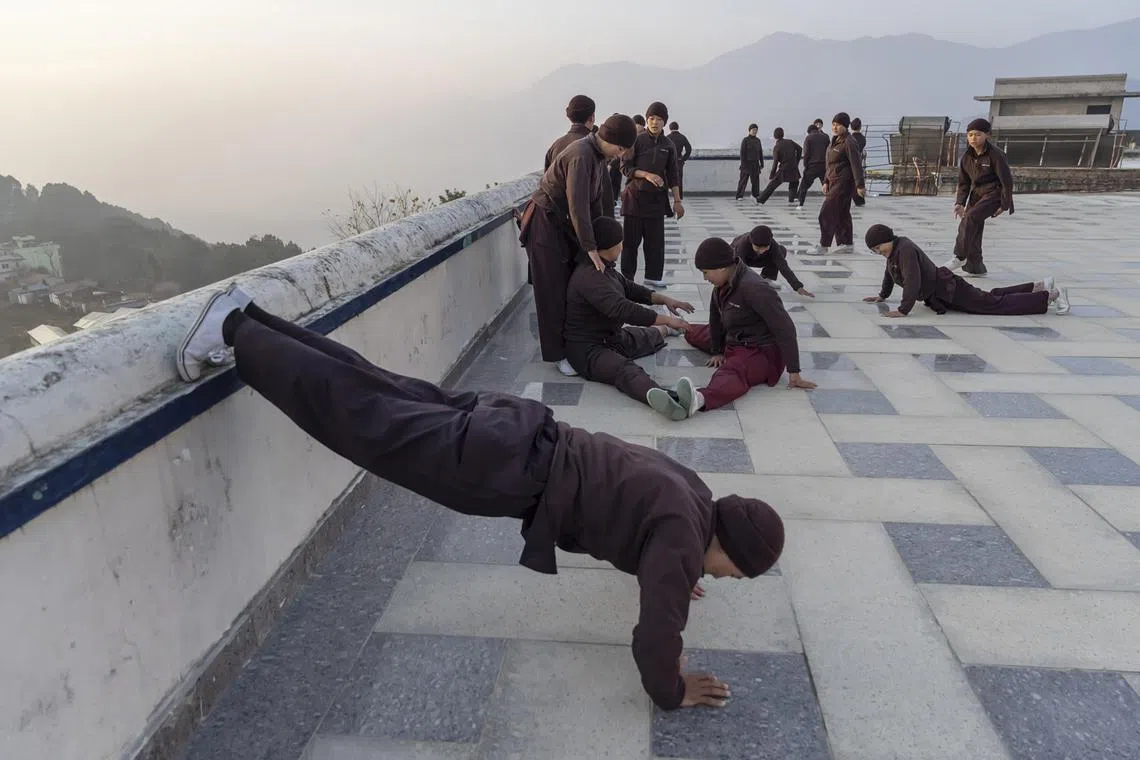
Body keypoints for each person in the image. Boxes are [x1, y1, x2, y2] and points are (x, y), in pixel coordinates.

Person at [174, 282, 786, 711]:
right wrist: (674, 691)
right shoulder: (681, 542)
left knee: (372, 386)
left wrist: (678, 573)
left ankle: (245, 317)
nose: (726, 579)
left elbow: (658, 537)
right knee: (358, 416)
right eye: (734, 571)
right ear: (724, 543)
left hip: (518, 424)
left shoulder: (695, 496)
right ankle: (230, 330)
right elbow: (655, 638)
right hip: (499, 465)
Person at [519, 113, 638, 377]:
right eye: (619, 150)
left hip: (565, 226)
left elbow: (595, 204)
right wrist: (590, 248)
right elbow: (578, 206)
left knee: (574, 281)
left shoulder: (598, 156)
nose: (619, 156)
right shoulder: (581, 154)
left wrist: (603, 241)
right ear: (608, 139)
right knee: (552, 290)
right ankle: (558, 354)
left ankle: (581, 341)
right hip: (545, 224)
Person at [646, 238, 817, 420]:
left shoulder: (755, 288)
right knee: (706, 333)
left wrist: (794, 371)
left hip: (760, 352)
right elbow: (716, 318)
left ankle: (698, 399)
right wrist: (717, 351)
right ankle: (679, 329)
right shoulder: (722, 283)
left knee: (734, 369)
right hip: (734, 337)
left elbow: (785, 328)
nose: (705, 278)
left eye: (706, 272)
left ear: (721, 267)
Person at [564, 216, 696, 405]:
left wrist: (666, 299)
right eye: (620, 243)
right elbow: (623, 309)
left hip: (612, 338)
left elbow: (631, 289)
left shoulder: (605, 267)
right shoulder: (590, 277)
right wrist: (666, 319)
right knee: (625, 369)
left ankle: (668, 331)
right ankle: (666, 400)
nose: (622, 247)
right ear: (609, 246)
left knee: (644, 336)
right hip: (588, 349)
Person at [861, 223, 1069, 316]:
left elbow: (912, 280)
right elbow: (890, 272)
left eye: (879, 247)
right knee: (991, 297)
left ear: (887, 240)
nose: (879, 252)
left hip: (949, 289)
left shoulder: (904, 249)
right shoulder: (895, 251)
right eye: (874, 250)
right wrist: (882, 295)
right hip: (944, 289)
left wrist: (903, 310)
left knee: (994, 305)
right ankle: (1039, 286)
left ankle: (1051, 296)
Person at [621, 101, 684, 289]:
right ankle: (627, 278)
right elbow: (625, 167)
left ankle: (653, 276)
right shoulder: (637, 140)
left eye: (659, 119)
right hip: (634, 199)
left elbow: (673, 175)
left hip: (656, 200)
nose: (654, 122)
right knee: (631, 243)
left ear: (665, 122)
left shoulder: (668, 144)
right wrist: (646, 174)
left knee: (655, 242)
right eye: (651, 118)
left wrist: (678, 201)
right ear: (647, 119)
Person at [952, 118, 1014, 277]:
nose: (973, 138)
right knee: (973, 227)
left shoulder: (996, 155)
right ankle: (975, 267)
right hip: (976, 195)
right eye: (970, 134)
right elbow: (963, 183)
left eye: (978, 134)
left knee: (971, 217)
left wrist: (1005, 204)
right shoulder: (966, 157)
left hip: (995, 194)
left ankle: (959, 256)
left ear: (987, 135)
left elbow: (1006, 181)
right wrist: (959, 203)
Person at [544, 95, 615, 219]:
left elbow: (547, 184)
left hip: (558, 220)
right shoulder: (593, 147)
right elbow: (604, 192)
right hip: (586, 220)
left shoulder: (556, 145)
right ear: (592, 117)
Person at [818, 112, 865, 253]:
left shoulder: (849, 142)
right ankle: (846, 244)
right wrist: (825, 181)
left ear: (845, 126)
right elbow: (829, 164)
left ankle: (824, 245)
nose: (835, 127)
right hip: (833, 181)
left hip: (843, 183)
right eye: (833, 124)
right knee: (842, 213)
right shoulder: (834, 140)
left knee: (826, 213)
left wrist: (860, 185)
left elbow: (856, 164)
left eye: (838, 125)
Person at [731, 225, 814, 297]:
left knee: (781, 251)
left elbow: (783, 266)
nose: (761, 251)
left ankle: (766, 278)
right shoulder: (742, 245)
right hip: (738, 259)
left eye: (765, 248)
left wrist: (798, 287)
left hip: (759, 260)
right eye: (758, 248)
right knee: (739, 271)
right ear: (751, 242)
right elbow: (736, 267)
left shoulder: (773, 245)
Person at [757, 127, 801, 205]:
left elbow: (775, 162)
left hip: (784, 168)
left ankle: (761, 199)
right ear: (783, 134)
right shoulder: (790, 141)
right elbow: (800, 149)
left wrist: (772, 174)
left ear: (775, 136)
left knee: (772, 185)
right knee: (794, 182)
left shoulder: (777, 147)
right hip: (793, 167)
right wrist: (796, 161)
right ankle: (791, 199)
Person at [796, 124, 829, 208]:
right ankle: (832, 203)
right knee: (827, 186)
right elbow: (829, 151)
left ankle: (801, 204)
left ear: (809, 132)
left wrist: (805, 165)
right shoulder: (825, 137)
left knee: (804, 185)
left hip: (812, 166)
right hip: (824, 166)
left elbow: (806, 153)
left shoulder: (809, 138)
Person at [735, 124, 764, 201]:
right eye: (753, 130)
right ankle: (739, 196)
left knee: (755, 181)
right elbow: (742, 153)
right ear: (749, 130)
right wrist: (743, 164)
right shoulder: (745, 140)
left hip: (755, 164)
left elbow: (760, 152)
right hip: (746, 164)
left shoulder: (758, 140)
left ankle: (755, 195)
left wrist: (762, 163)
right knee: (743, 181)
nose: (755, 131)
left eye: (756, 130)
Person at [667, 122, 693, 199]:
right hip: (679, 161)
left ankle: (668, 195)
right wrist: (683, 159)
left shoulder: (667, 137)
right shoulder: (682, 137)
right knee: (679, 178)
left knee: (668, 177)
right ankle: (679, 196)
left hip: (669, 161)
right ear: (678, 127)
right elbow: (689, 149)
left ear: (670, 128)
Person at [850, 118, 868, 207]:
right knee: (857, 181)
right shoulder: (862, 138)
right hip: (859, 161)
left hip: (849, 162)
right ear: (860, 127)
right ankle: (860, 201)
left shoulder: (849, 138)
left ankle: (858, 200)